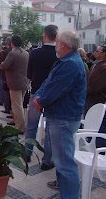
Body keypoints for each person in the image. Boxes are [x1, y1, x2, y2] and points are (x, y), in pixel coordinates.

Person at [33, 29, 86, 198]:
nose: (55, 44)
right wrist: (39, 97)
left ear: (63, 44)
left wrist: (40, 101)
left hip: (63, 118)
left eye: (57, 42)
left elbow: (56, 89)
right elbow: (49, 82)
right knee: (62, 160)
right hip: (60, 116)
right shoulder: (65, 61)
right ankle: (64, 187)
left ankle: (71, 195)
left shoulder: (71, 64)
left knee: (65, 163)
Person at [24, 25, 58, 169]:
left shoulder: (36, 53)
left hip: (37, 91)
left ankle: (27, 153)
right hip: (54, 94)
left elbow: (29, 74)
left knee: (31, 125)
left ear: (45, 36)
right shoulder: (59, 54)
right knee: (50, 128)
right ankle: (47, 160)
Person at [0, 35, 29, 133]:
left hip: (15, 83)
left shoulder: (13, 53)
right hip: (24, 82)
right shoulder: (26, 53)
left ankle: (20, 127)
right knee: (20, 105)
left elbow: (4, 65)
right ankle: (19, 123)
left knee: (17, 106)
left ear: (12, 43)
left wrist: (2, 63)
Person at [85, 45, 106, 147]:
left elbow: (97, 86)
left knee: (94, 123)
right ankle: (88, 141)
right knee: (87, 119)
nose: (94, 53)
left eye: (97, 51)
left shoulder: (104, 67)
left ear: (103, 54)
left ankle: (92, 144)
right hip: (89, 98)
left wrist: (85, 90)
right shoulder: (95, 65)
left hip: (96, 100)